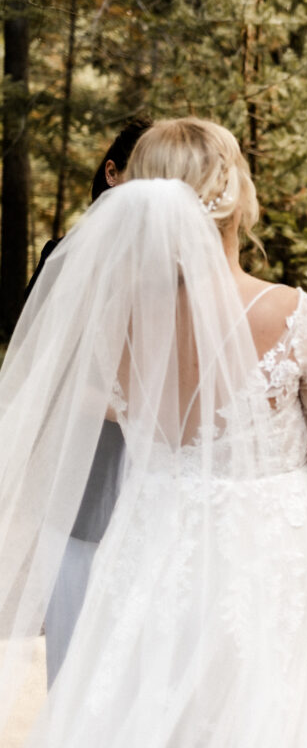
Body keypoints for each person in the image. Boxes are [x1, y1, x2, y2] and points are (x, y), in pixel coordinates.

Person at [0, 118, 307, 748]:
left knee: (148, 695)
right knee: (272, 705)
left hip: (151, 534)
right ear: (236, 196)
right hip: (271, 540)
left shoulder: (112, 321)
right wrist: (276, 489)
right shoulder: (288, 312)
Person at [26, 116, 152, 686]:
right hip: (86, 475)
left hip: (162, 475)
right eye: (146, 176)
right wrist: (134, 407)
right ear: (112, 172)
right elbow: (45, 376)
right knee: (78, 661)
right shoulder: (64, 257)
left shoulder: (178, 266)